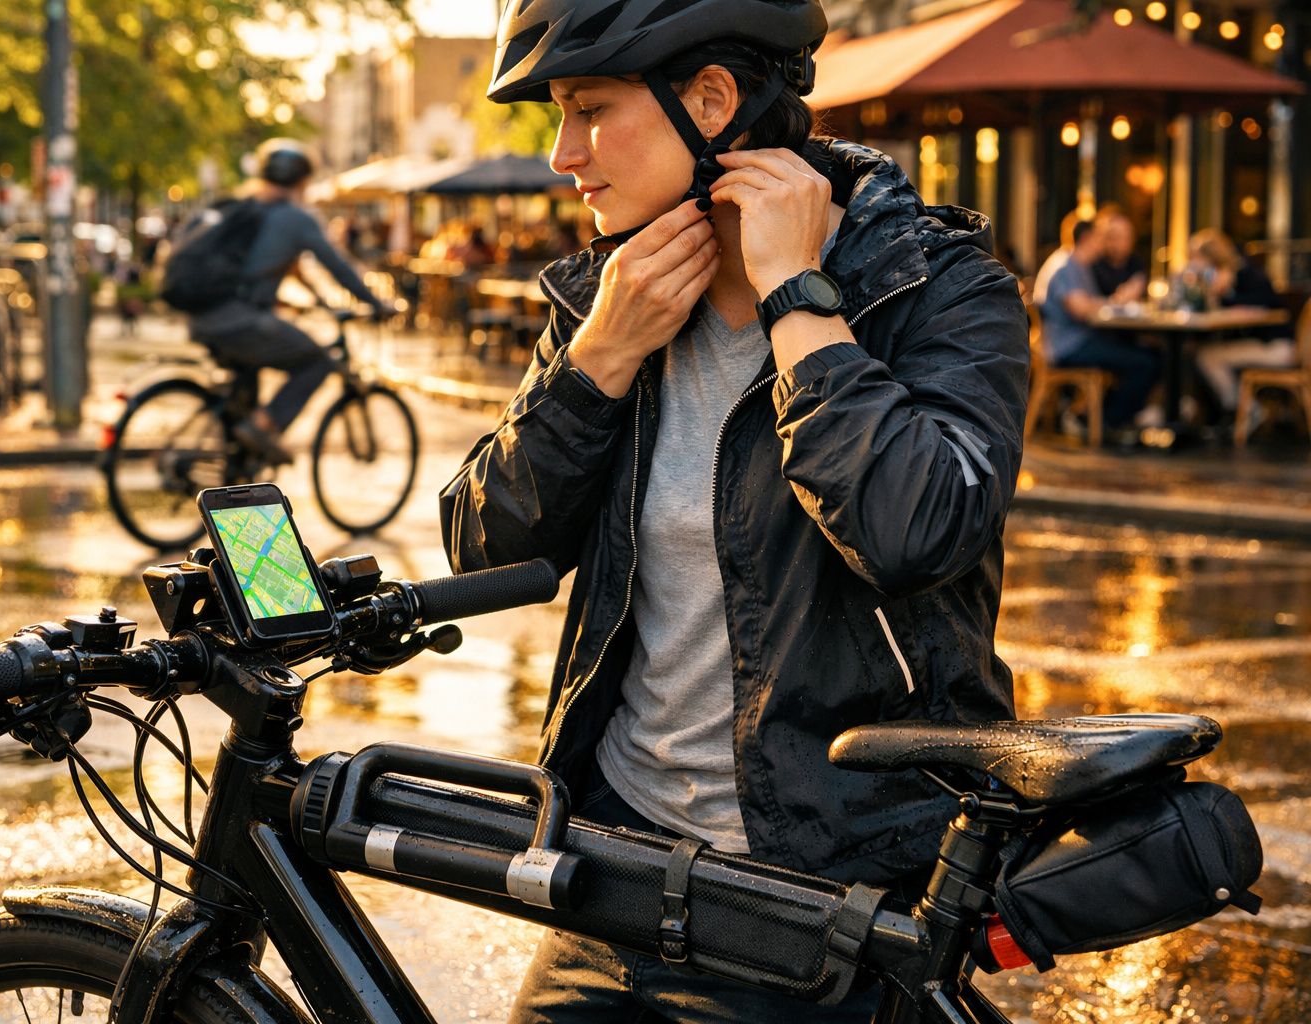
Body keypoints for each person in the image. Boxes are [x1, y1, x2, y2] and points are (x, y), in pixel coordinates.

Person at [441, 1, 1029, 1020]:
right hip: (614, 871)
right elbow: (484, 542)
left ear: (711, 101)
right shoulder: (612, 294)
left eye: (588, 109)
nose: (560, 154)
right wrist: (598, 362)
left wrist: (799, 297)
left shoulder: (935, 287)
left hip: (821, 903)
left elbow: (914, 529)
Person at [188, 139, 388, 460]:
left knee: (243, 402)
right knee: (317, 360)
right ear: (302, 180)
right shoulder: (294, 218)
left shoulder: (248, 207)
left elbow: (289, 271)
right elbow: (337, 266)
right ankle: (264, 425)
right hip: (240, 322)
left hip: (208, 317)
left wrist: (318, 301)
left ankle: (237, 465)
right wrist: (375, 302)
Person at [1039, 218, 1160, 431]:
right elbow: (1080, 309)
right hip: (1068, 346)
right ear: (1087, 239)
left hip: (1081, 340)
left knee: (1151, 354)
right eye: (1101, 239)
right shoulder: (1065, 267)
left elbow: (1089, 305)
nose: (1104, 245)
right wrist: (1116, 301)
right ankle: (1105, 421)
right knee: (1145, 362)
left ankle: (1105, 416)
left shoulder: (1078, 266)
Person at [1186, 228, 1298, 424]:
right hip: (1263, 343)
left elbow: (1267, 304)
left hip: (1276, 346)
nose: (1194, 264)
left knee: (1208, 356)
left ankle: (1245, 412)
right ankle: (1212, 416)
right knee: (1196, 352)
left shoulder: (1247, 273)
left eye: (1198, 258)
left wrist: (1226, 294)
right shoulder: (1225, 276)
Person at [1091, 206, 1147, 304]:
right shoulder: (1092, 264)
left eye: (1127, 237)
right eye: (1115, 237)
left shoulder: (1135, 263)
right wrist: (1117, 299)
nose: (1121, 243)